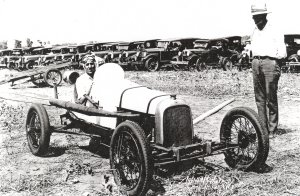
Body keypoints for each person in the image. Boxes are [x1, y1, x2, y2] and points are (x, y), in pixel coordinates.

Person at [250, 2, 287, 138]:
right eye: (253, 17)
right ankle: (262, 128)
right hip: (256, 62)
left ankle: (272, 129)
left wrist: (273, 63)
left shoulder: (274, 29)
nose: (255, 19)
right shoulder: (254, 30)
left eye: (257, 16)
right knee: (259, 98)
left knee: (270, 97)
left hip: (270, 62)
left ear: (264, 15)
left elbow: (282, 52)